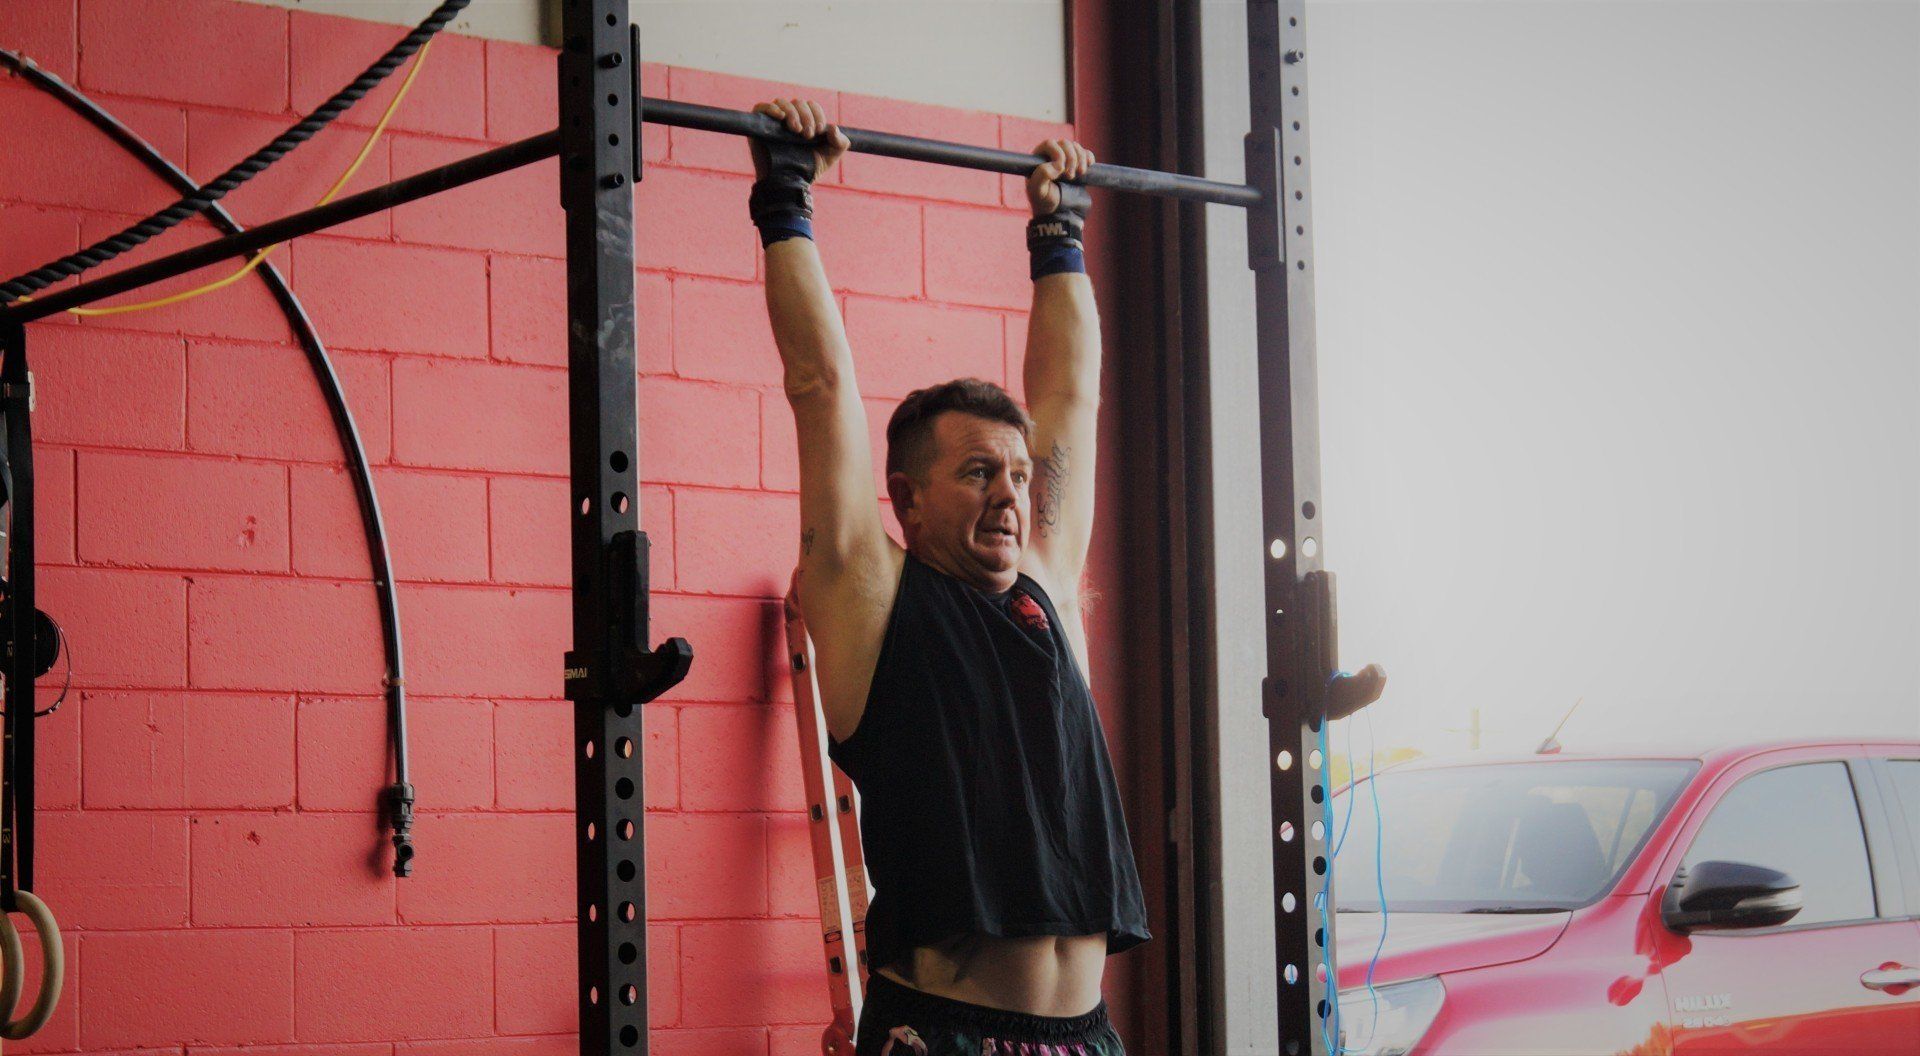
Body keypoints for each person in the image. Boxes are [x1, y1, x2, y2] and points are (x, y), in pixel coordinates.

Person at [752, 97, 1148, 1056]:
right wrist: (786, 197)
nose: (1010, 493)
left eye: (1015, 473)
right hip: (943, 1034)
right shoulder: (872, 596)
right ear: (906, 500)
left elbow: (1068, 400)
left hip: (1088, 1035)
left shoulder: (1045, 589)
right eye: (978, 473)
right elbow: (820, 385)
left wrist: (1058, 232)